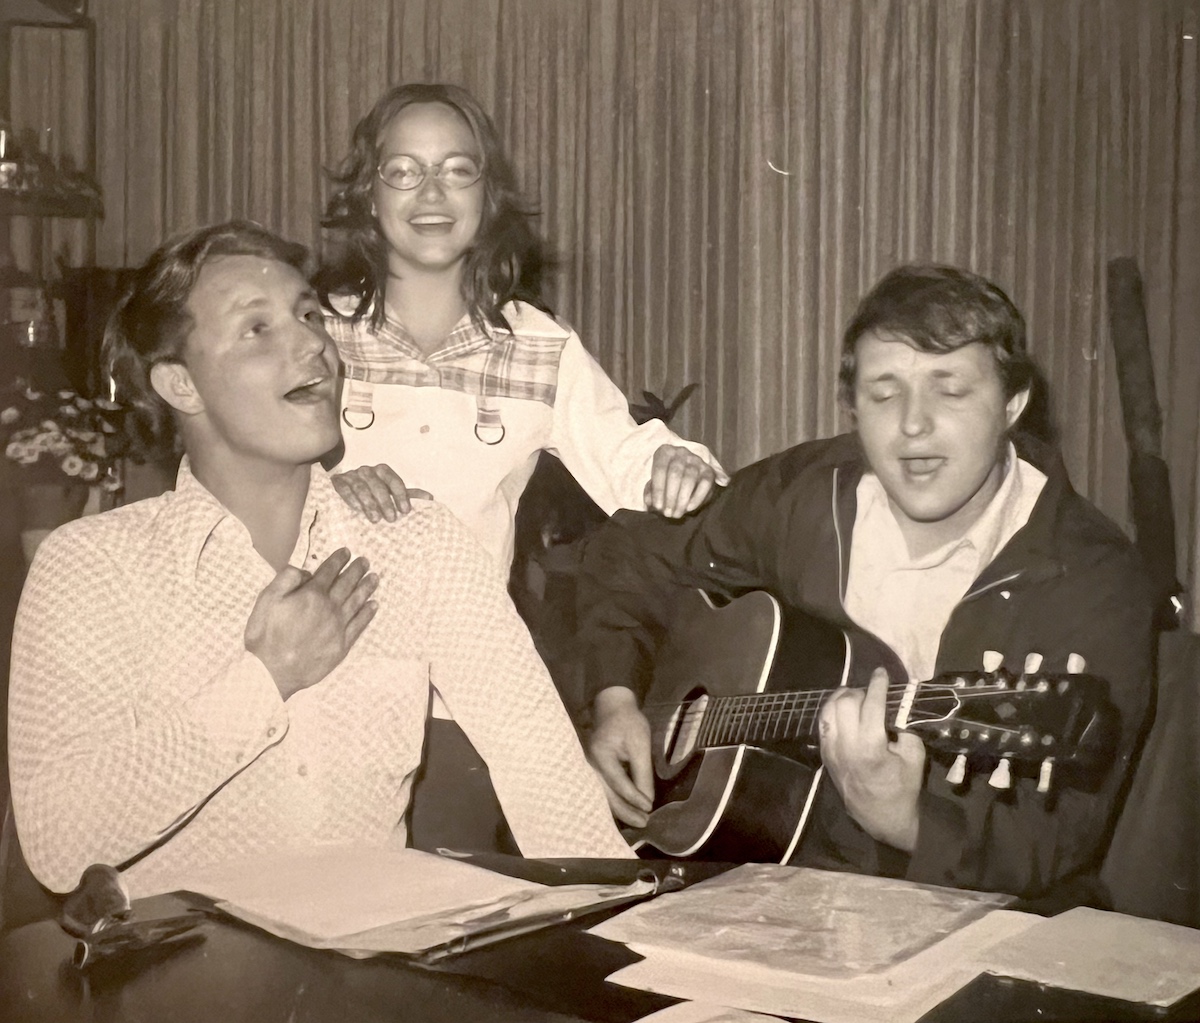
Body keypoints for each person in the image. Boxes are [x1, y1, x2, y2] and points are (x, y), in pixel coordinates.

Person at [7, 221, 632, 900]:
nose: (313, 343)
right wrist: (265, 680)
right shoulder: (90, 566)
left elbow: (554, 793)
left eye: (310, 315)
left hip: (367, 980)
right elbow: (58, 842)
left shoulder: (419, 543)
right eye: (258, 328)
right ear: (180, 384)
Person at [575, 264, 1154, 900]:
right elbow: (632, 553)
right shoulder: (808, 496)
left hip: (964, 913)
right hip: (757, 881)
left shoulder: (1095, 577)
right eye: (884, 393)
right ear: (853, 409)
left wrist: (907, 822)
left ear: (1013, 404)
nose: (913, 425)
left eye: (951, 390)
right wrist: (615, 700)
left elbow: (1061, 837)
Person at [319, 82, 726, 573]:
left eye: (458, 170)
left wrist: (679, 464)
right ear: (368, 195)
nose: (431, 191)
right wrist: (318, 497)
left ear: (488, 198)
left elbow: (629, 457)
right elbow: (230, 480)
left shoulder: (541, 347)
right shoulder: (311, 336)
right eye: (403, 171)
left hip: (475, 643)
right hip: (326, 638)